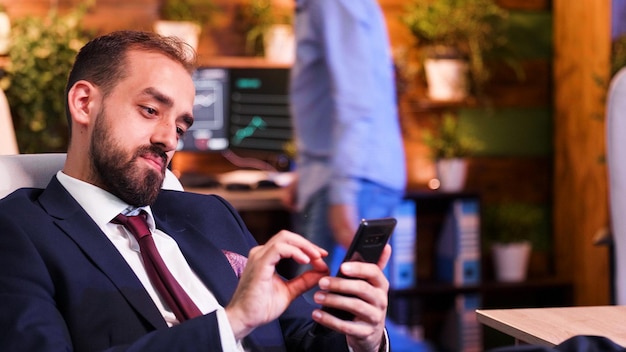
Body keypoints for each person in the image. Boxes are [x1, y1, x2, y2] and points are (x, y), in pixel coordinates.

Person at [0, 30, 391, 352]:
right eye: (150, 110)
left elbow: (299, 339)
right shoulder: (18, 232)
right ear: (84, 103)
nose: (169, 139)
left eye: (182, 127)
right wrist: (232, 323)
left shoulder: (211, 215)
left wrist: (362, 339)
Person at [287, 0, 406, 280]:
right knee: (344, 309)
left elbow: (356, 100)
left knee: (327, 311)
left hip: (348, 179)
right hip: (340, 174)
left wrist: (343, 193)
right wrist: (304, 173)